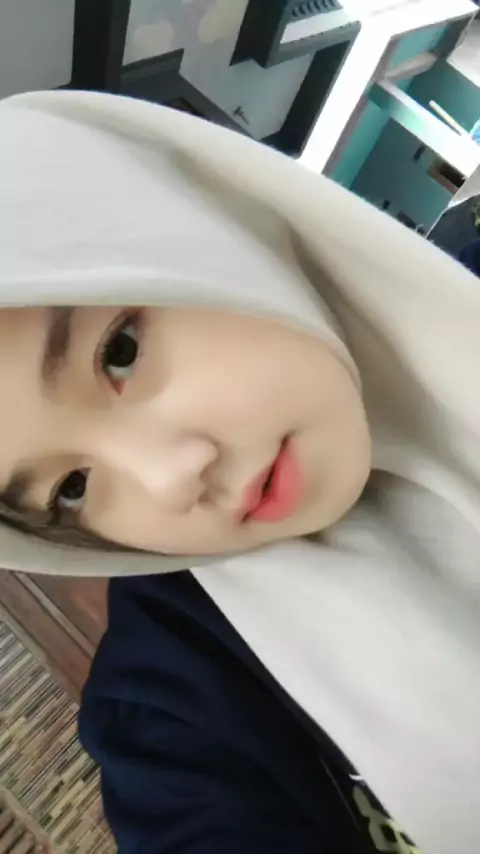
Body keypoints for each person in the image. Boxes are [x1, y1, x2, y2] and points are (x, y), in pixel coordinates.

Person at [0, 89, 479, 854]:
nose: (169, 479)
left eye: (120, 352)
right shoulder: (172, 706)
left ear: (211, 225)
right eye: (71, 490)